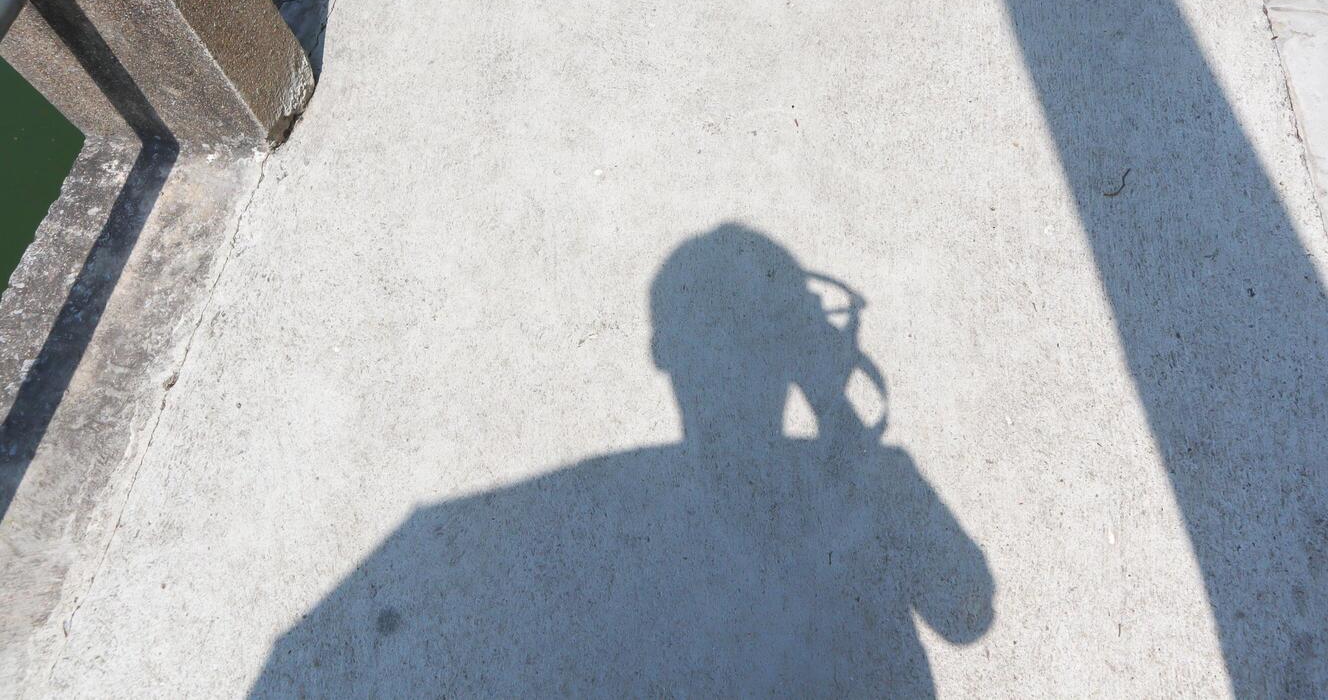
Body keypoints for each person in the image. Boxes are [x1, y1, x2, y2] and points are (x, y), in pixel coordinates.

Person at [252, 223, 992, 697]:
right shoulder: (866, 468)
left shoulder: (596, 512)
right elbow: (965, 613)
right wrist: (840, 409)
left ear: (662, 353)